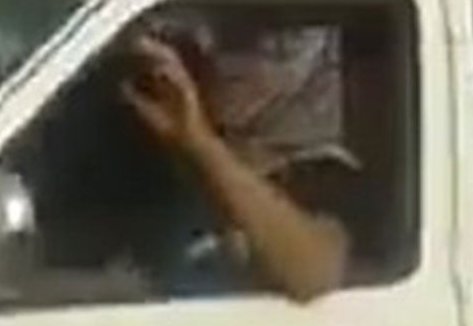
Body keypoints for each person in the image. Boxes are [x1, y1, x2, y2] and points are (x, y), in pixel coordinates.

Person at [117, 17, 364, 303]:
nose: (231, 64)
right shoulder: (162, 155)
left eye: (260, 52)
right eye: (224, 47)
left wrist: (200, 142)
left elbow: (314, 274)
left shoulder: (321, 171)